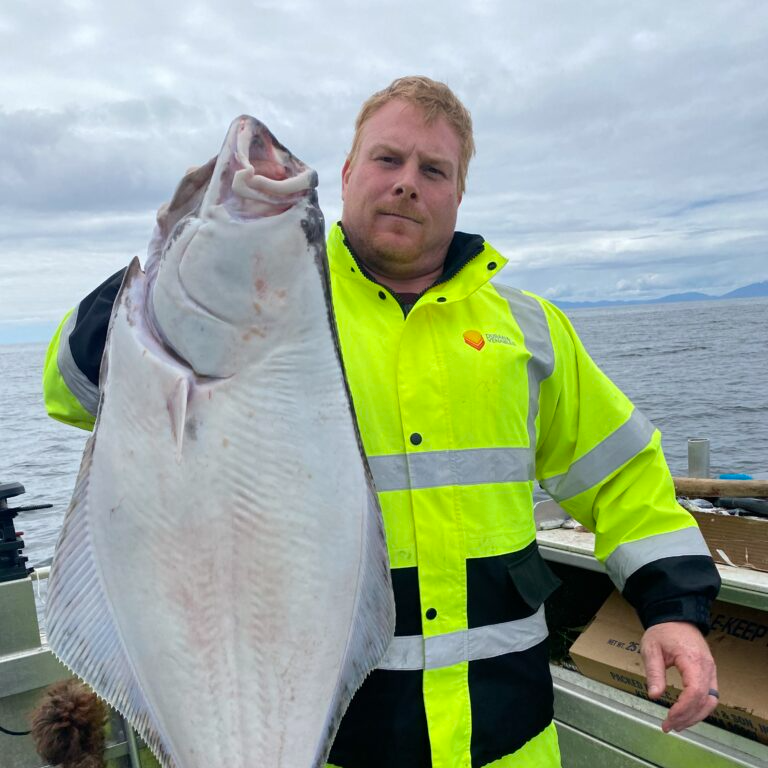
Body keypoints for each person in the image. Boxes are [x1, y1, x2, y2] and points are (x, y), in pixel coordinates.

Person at [43, 76, 721, 768]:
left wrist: (672, 606)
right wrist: (154, 275)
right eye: (387, 160)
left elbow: (625, 478)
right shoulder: (281, 298)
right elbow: (69, 392)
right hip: (329, 746)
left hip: (507, 742)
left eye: (434, 170)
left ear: (459, 193)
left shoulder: (530, 332)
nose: (406, 184)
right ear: (346, 173)